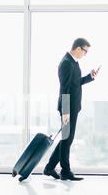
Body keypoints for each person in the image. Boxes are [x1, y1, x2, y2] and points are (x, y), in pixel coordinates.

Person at [43, 38, 100, 181]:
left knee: (66, 138)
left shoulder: (73, 62)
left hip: (73, 107)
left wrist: (89, 77)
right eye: (85, 51)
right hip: (68, 108)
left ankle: (49, 167)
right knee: (67, 139)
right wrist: (66, 111)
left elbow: (75, 83)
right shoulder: (66, 63)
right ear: (78, 48)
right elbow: (65, 89)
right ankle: (65, 171)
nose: (85, 54)